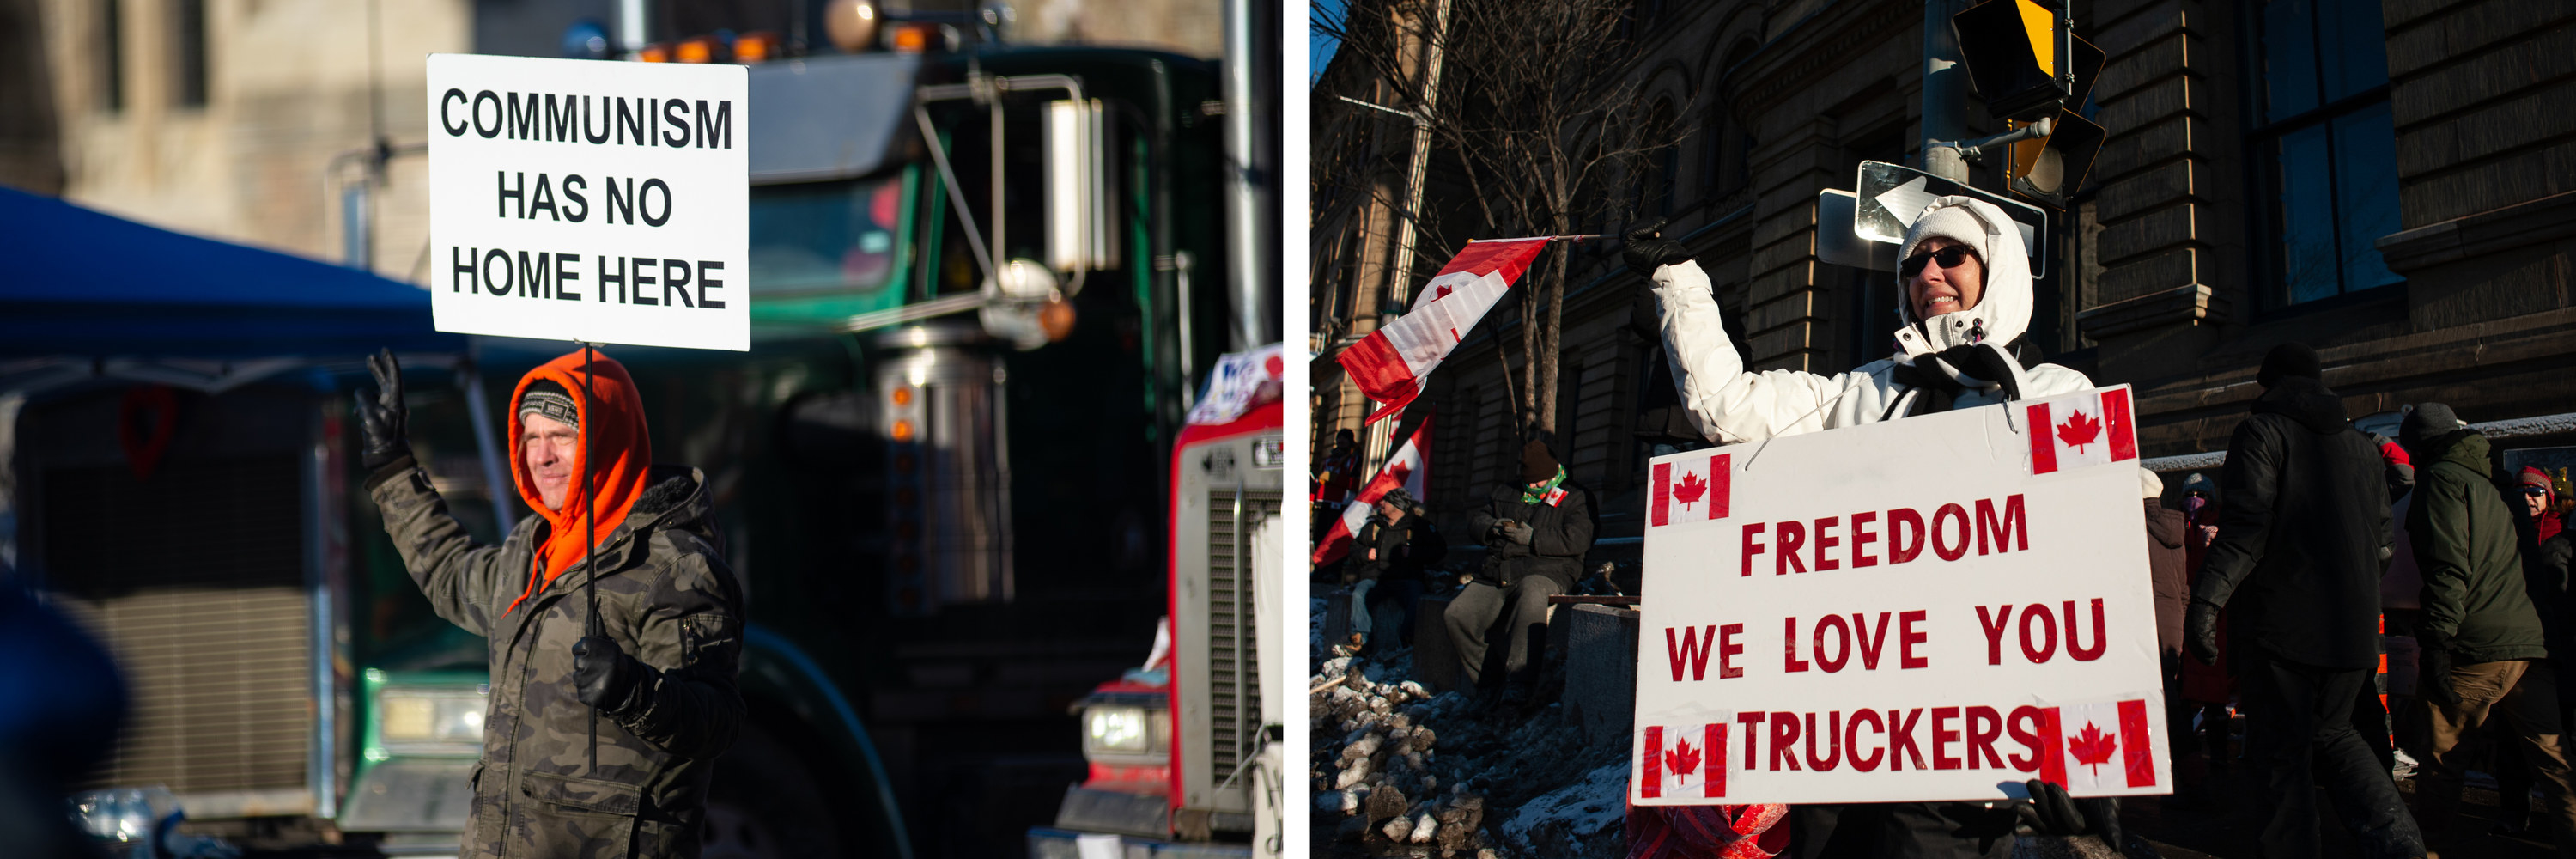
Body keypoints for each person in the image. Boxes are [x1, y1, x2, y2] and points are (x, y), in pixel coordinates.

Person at [1628, 198, 2103, 858]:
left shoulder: (2055, 395)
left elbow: (2090, 573)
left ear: (1995, 270)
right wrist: (1680, 281)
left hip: (1969, 749)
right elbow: (1727, 407)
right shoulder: (1861, 394)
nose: (1928, 272)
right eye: (1913, 263)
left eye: (1951, 255)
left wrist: (2082, 749)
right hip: (1842, 734)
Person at [355, 350, 744, 858]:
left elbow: (717, 719)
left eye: (562, 436)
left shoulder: (675, 566)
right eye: (531, 437)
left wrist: (636, 691)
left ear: (605, 441)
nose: (542, 456)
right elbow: (450, 574)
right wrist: (393, 470)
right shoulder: (530, 549)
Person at [2182, 344, 2424, 858]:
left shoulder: (2262, 432)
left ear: (2267, 385)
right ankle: (2400, 846)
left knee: (2280, 762)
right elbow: (2381, 543)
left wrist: (2205, 603)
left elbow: (2248, 529)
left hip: (2283, 629)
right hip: (2351, 629)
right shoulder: (2361, 446)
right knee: (2336, 737)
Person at [2398, 403, 2575, 854]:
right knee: (2556, 765)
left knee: (2442, 763)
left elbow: (2448, 567)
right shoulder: (2496, 483)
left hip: (2476, 643)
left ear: (2421, 445)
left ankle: (2428, 849)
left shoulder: (2441, 480)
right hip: (2527, 642)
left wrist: (2437, 642)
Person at [1447, 437, 1591, 705]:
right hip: (1499, 571)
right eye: (1531, 482)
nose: (1536, 486)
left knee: (1531, 595)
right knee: (1457, 615)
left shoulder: (1575, 497)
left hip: (1549, 570)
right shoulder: (1506, 492)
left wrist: (1533, 538)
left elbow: (1578, 540)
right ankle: (1488, 681)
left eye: (1542, 481)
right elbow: (1476, 521)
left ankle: (1519, 682)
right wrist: (1493, 527)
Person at [1343, 486, 1444, 654]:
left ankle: (1407, 640)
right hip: (1375, 578)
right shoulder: (1373, 526)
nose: (1381, 503)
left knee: (1415, 597)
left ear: (1397, 505)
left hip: (1407, 578)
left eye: (1386, 501)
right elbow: (1353, 550)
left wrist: (1414, 554)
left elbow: (1439, 551)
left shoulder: (1420, 527)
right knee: (1359, 594)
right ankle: (1361, 639)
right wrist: (1365, 554)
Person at [2142, 469, 2193, 768]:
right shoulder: (2177, 531)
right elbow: (2183, 589)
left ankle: (2171, 772)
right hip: (2173, 624)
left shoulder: (2138, 528)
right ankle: (2190, 773)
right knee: (2172, 698)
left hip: (2150, 624)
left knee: (2164, 705)